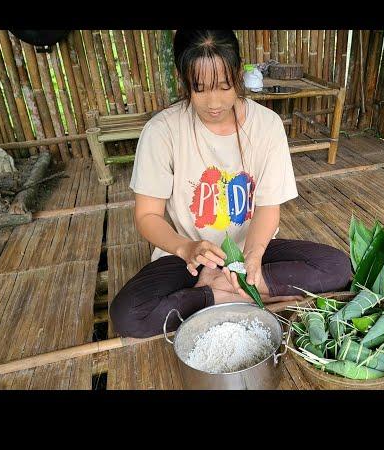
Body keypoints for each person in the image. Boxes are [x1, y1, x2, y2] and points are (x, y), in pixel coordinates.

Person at [109, 30, 352, 338]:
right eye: (200, 89)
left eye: (224, 86)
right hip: (188, 261)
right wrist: (187, 247)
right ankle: (231, 296)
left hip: (252, 255)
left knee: (337, 267)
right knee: (128, 314)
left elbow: (267, 209)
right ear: (184, 80)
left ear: (238, 74)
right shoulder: (161, 132)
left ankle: (235, 291)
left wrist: (252, 257)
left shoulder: (267, 126)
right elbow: (147, 216)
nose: (214, 102)